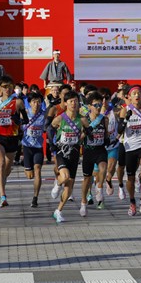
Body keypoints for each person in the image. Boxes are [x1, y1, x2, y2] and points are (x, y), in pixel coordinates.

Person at [0, 78, 28, 208]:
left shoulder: (18, 102)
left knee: (8, 167)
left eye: (10, 86)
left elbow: (25, 120)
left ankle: (2, 181)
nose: (7, 89)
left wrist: (18, 120)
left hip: (12, 137)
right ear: (0, 88)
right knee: (1, 163)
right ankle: (3, 196)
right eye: (5, 87)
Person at [117, 85, 141, 216]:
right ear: (129, 96)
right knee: (130, 178)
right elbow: (119, 130)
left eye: (139, 93)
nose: (137, 95)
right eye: (134, 93)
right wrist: (125, 120)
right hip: (130, 147)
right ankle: (132, 201)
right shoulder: (125, 110)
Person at [51, 90, 87, 223]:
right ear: (65, 103)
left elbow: (87, 134)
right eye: (71, 101)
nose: (73, 103)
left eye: (75, 101)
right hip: (62, 152)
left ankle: (58, 211)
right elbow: (50, 128)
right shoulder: (60, 118)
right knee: (65, 177)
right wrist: (53, 145)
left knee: (69, 186)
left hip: (74, 153)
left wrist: (84, 135)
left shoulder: (82, 119)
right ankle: (57, 183)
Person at [80, 92, 109, 216]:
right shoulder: (84, 119)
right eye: (95, 105)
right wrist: (86, 132)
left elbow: (107, 134)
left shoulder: (104, 119)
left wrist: (108, 139)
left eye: (99, 104)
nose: (98, 107)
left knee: (103, 168)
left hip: (100, 149)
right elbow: (80, 138)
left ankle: (100, 188)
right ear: (89, 106)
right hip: (88, 150)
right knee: (87, 179)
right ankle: (83, 202)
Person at [21, 92, 47, 207]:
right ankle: (25, 164)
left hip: (38, 148)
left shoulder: (44, 114)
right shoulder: (25, 114)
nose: (36, 104)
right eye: (34, 102)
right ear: (30, 103)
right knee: (29, 175)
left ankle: (35, 198)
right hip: (27, 147)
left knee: (37, 170)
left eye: (38, 102)